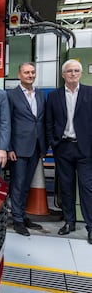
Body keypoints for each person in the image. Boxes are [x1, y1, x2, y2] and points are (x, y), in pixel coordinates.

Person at [46, 59, 92, 243]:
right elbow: (49, 122)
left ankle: (90, 227)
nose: (73, 74)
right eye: (69, 71)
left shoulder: (90, 92)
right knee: (66, 188)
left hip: (85, 149)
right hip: (63, 147)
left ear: (80, 73)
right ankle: (69, 222)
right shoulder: (54, 96)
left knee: (87, 188)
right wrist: (53, 142)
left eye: (76, 71)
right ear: (63, 74)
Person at [7, 62, 46, 236]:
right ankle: (17, 220)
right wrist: (9, 148)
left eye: (32, 72)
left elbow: (40, 121)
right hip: (18, 148)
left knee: (26, 185)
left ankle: (22, 214)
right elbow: (7, 122)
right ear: (19, 74)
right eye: (26, 72)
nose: (30, 75)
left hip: (36, 147)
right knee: (18, 184)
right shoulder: (12, 95)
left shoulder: (40, 95)